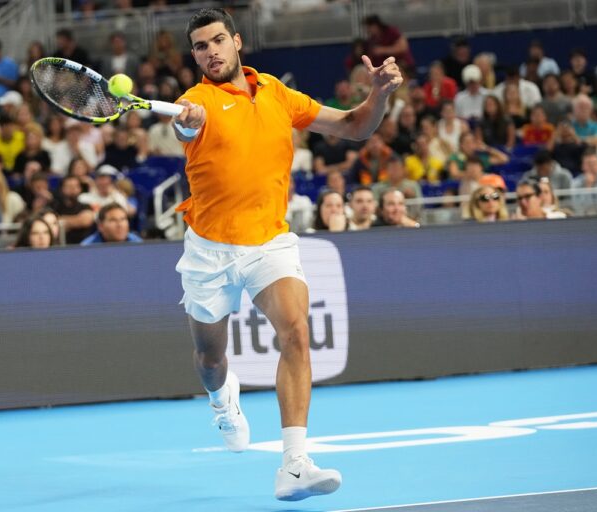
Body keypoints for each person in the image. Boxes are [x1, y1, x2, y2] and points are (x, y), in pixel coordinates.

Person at [171, 8, 402, 501]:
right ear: (194, 56)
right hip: (210, 250)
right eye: (200, 47)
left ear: (237, 42)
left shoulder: (276, 92)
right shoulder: (195, 102)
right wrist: (187, 124)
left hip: (269, 242)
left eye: (217, 41)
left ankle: (295, 465)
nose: (211, 52)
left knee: (296, 330)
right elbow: (187, 126)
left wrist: (379, 94)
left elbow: (355, 125)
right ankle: (222, 398)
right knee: (210, 359)